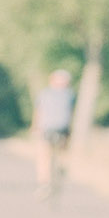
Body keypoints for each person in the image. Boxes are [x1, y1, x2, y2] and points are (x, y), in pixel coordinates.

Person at [32, 66, 76, 195]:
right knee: (64, 148)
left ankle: (44, 183)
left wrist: (35, 127)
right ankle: (63, 165)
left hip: (47, 128)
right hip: (63, 128)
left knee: (43, 155)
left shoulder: (44, 94)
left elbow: (39, 112)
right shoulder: (70, 94)